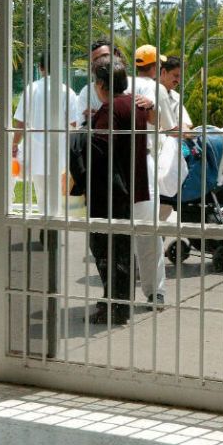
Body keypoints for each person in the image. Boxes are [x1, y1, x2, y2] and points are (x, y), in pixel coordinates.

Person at [70, 55, 166, 325]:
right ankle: (121, 302)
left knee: (110, 250)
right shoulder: (134, 104)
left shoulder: (110, 109)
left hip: (113, 191)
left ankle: (117, 305)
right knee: (126, 247)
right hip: (132, 185)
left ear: (101, 83)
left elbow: (99, 152)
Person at [12, 51, 81, 216]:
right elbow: (73, 125)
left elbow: (20, 122)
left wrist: (14, 144)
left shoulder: (32, 89)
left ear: (40, 67)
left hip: (36, 154)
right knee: (59, 198)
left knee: (42, 197)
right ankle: (55, 234)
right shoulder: (67, 91)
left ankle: (46, 231)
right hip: (61, 154)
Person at [157, 55, 193, 221]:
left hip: (168, 163)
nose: (178, 80)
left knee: (163, 210)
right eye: (175, 76)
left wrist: (184, 129)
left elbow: (185, 125)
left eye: (180, 76)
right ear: (163, 72)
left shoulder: (176, 98)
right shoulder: (148, 93)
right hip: (149, 157)